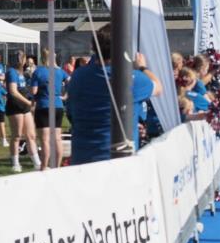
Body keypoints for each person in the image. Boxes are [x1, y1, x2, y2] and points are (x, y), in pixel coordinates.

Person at [66, 28, 163, 164]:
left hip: (82, 160)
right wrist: (142, 67)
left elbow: (71, 113)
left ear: (94, 47)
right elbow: (158, 88)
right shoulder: (133, 78)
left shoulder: (78, 76)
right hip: (117, 162)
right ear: (124, 48)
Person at [31, 49, 69, 170]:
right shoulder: (60, 71)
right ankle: (57, 167)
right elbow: (71, 82)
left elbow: (34, 91)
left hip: (44, 105)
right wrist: (65, 95)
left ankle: (44, 167)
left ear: (42, 58)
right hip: (58, 106)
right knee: (57, 138)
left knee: (45, 139)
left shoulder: (38, 71)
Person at [6, 51, 40, 173]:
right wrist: (28, 103)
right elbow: (13, 91)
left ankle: (37, 163)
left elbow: (25, 89)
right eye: (20, 57)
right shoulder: (11, 72)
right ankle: (15, 163)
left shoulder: (22, 73)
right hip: (15, 106)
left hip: (25, 106)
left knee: (31, 135)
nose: (21, 60)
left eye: (22, 57)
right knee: (17, 136)